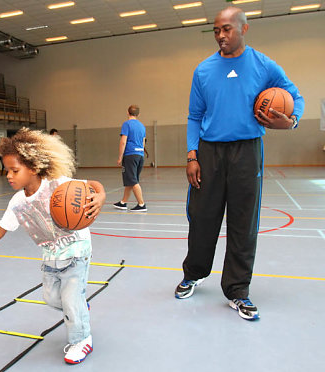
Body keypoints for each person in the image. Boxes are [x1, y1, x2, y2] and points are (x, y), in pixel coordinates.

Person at [175, 7, 304, 321]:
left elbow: (294, 95)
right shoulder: (203, 70)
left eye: (227, 29)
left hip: (247, 151)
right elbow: (194, 116)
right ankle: (193, 273)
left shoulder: (262, 64)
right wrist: (192, 155)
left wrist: (292, 121)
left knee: (243, 221)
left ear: (244, 29)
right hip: (209, 151)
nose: (221, 35)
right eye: (217, 29)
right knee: (203, 217)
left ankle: (237, 290)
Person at [0, 128, 106, 365]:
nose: (9, 176)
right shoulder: (18, 202)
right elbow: (0, 229)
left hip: (76, 251)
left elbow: (92, 184)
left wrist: (101, 196)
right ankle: (80, 308)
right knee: (52, 298)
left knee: (71, 301)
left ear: (33, 167)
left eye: (15, 170)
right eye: (7, 171)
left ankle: (81, 340)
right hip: (51, 257)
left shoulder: (58, 185)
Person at [114, 105, 147, 212]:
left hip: (130, 155)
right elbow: (143, 142)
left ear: (128, 113)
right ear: (138, 114)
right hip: (140, 155)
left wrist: (120, 157)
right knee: (131, 179)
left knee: (133, 181)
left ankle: (141, 204)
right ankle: (123, 202)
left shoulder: (126, 124)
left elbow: (123, 141)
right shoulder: (142, 126)